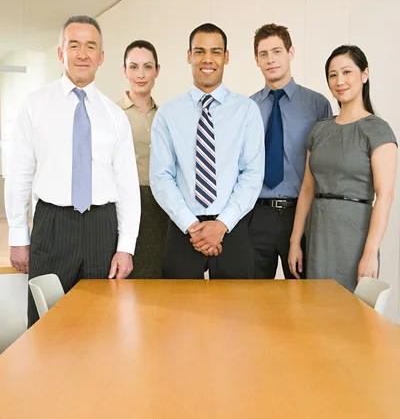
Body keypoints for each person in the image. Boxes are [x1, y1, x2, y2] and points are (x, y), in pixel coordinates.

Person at [5, 15, 140, 326]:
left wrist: (126, 247)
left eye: (90, 46)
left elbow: (128, 187)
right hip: (52, 226)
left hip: (101, 228)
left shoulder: (115, 116)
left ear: (101, 56)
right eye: (74, 45)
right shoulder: (34, 105)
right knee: (45, 324)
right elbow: (20, 174)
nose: (82, 54)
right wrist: (17, 236)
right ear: (60, 52)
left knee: (102, 326)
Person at [150, 23, 264, 278]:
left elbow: (252, 174)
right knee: (178, 313)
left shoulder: (246, 110)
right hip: (183, 229)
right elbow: (161, 177)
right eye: (199, 51)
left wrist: (221, 224)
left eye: (215, 51)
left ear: (226, 57)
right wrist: (193, 226)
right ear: (189, 56)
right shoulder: (168, 113)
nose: (207, 59)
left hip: (232, 228)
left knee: (236, 313)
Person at [288, 45, 397, 291]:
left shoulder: (378, 129)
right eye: (333, 75)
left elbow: (385, 196)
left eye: (347, 72)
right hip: (318, 233)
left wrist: (370, 252)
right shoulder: (320, 129)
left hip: (354, 233)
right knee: (316, 310)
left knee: (351, 314)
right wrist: (296, 240)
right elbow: (307, 189)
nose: (340, 81)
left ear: (364, 75)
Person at [249, 23, 333, 279]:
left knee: (303, 299)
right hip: (256, 215)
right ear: (256, 60)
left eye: (277, 51)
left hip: (301, 214)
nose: (270, 60)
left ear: (291, 52)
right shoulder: (247, 107)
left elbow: (324, 166)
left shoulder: (317, 105)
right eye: (263, 54)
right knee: (251, 299)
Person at [117, 40, 168, 278]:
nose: (141, 74)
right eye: (134, 67)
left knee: (158, 276)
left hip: (161, 205)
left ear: (157, 70)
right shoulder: (112, 114)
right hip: (125, 203)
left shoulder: (166, 115)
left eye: (147, 67)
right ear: (124, 70)